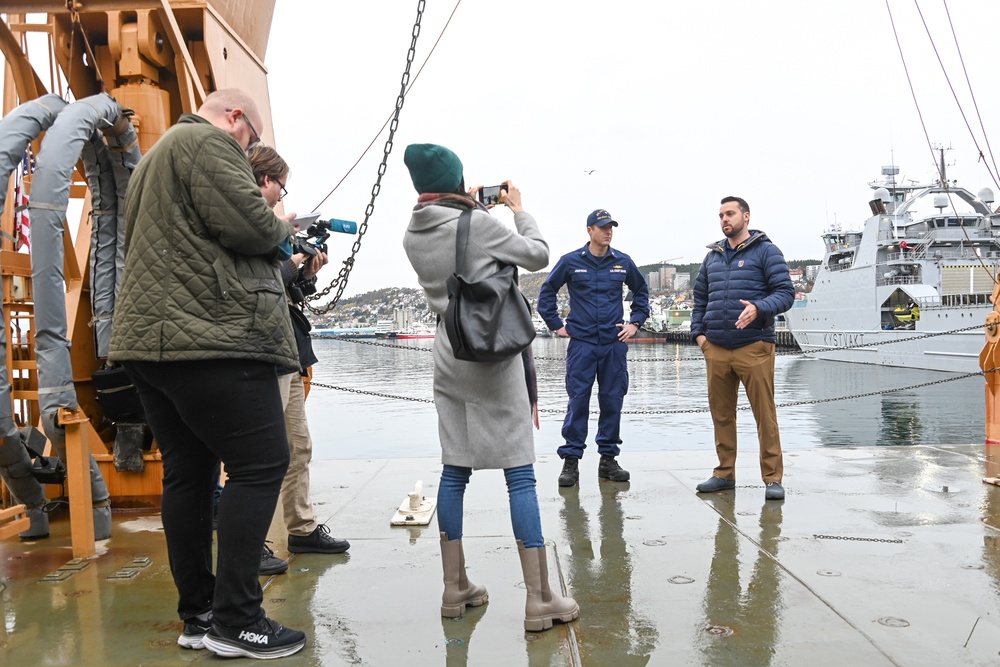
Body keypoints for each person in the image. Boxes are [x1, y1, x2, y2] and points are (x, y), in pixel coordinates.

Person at [108, 89, 306, 659]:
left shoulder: (153, 160)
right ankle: (238, 619)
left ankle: (198, 615)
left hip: (152, 344)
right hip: (210, 339)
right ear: (236, 117)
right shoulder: (206, 141)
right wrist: (281, 223)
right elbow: (254, 229)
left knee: (189, 476)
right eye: (254, 138)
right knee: (262, 462)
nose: (252, 150)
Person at [401, 143, 579, 632]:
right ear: (457, 182)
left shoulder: (412, 234)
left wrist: (467, 202)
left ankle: (454, 587)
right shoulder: (478, 224)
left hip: (449, 353)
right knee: (518, 472)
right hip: (493, 359)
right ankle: (539, 598)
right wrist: (519, 211)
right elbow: (537, 254)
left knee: (455, 467)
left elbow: (461, 255)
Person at [246, 145, 350, 573]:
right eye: (280, 187)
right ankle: (250, 544)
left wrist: (305, 273)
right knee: (260, 455)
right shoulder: (246, 223)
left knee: (298, 447)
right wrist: (292, 265)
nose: (280, 197)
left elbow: (282, 290)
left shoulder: (266, 226)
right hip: (261, 352)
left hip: (285, 350)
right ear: (264, 180)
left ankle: (302, 529)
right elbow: (254, 285)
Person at [691, 196, 795, 501]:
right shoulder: (712, 258)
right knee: (721, 415)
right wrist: (700, 336)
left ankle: (773, 478)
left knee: (765, 414)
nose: (725, 219)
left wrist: (760, 308)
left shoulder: (766, 251)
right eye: (721, 215)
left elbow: (785, 293)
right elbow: (700, 299)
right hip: (717, 348)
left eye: (730, 213)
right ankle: (725, 473)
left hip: (754, 345)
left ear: (745, 217)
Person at [536, 209, 650, 488]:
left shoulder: (623, 262)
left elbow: (641, 291)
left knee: (612, 401)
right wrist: (556, 324)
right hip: (582, 344)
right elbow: (547, 292)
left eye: (610, 227)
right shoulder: (571, 262)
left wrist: (635, 323)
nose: (607, 231)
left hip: (613, 345)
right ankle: (571, 462)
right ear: (589, 230)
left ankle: (608, 461)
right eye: (602, 227)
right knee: (578, 402)